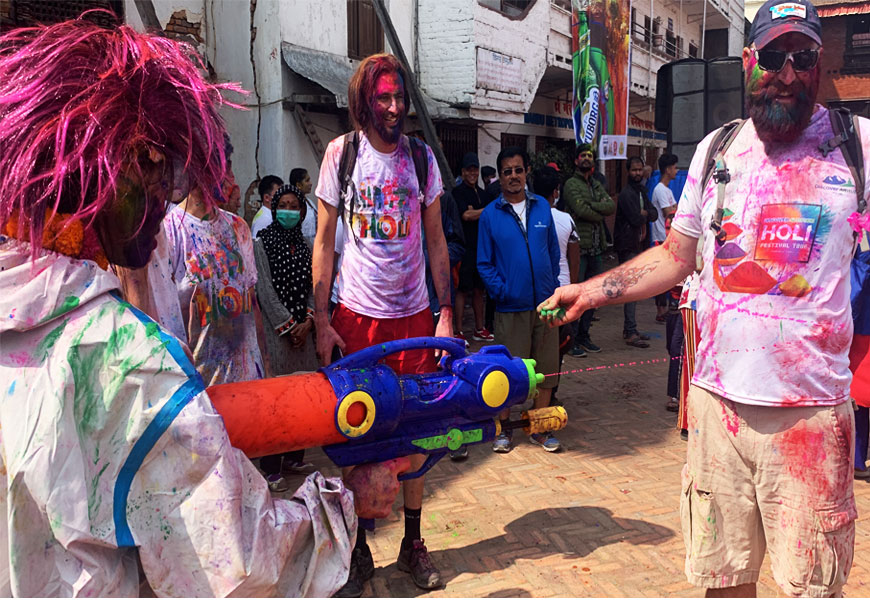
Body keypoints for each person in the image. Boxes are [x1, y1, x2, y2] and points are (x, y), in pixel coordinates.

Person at [0, 17, 408, 597]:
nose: (170, 198)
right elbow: (239, 564)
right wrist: (343, 507)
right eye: (164, 170)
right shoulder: (125, 365)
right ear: (119, 164)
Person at [539, 0, 870, 593]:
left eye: (802, 57)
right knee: (721, 585)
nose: (787, 72)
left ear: (820, 65)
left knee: (813, 589)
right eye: (773, 55)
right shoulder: (716, 151)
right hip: (716, 415)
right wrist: (590, 290)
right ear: (749, 60)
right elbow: (674, 256)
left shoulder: (858, 147)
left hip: (812, 422)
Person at [312, 53, 452, 595]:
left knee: (416, 428)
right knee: (358, 427)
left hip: (415, 317)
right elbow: (323, 242)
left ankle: (412, 540)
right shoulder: (340, 155)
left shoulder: (421, 158)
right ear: (364, 102)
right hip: (356, 319)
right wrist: (322, 320)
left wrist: (444, 314)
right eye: (383, 98)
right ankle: (359, 545)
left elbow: (437, 238)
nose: (394, 108)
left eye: (400, 98)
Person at [478, 147, 561, 453]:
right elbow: (484, 263)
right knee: (509, 372)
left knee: (547, 370)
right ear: (500, 177)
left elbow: (553, 252)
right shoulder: (490, 215)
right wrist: (503, 290)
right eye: (507, 171)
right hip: (510, 308)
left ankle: (540, 429)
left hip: (545, 305)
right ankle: (505, 430)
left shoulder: (542, 208)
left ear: (526, 173)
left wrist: (553, 287)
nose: (513, 176)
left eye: (518, 170)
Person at [165, 174, 266, 386]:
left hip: (248, 380)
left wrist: (266, 365)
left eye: (226, 165)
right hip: (202, 385)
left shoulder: (238, 227)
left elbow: (252, 301)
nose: (226, 175)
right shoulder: (170, 232)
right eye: (215, 164)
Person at [253, 183, 319, 492]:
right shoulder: (261, 244)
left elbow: (313, 285)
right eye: (284, 204)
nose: (289, 210)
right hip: (277, 334)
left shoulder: (306, 244)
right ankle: (271, 465)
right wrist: (289, 325)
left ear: (302, 211)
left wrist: (307, 320)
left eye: (295, 205)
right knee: (276, 399)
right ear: (274, 208)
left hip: (304, 332)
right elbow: (263, 289)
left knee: (302, 393)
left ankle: (295, 455)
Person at [561, 143, 615, 357]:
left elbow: (610, 205)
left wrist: (593, 206)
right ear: (576, 160)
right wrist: (597, 210)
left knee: (594, 296)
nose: (586, 158)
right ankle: (571, 339)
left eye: (589, 155)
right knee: (576, 296)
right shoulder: (571, 184)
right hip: (579, 248)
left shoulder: (595, 183)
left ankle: (584, 335)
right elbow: (580, 210)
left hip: (597, 247)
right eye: (582, 155)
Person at [534, 166, 579, 405]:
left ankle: (535, 393)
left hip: (536, 290)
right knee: (557, 347)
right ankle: (550, 394)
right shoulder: (565, 219)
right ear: (556, 192)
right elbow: (574, 257)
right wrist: (573, 285)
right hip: (561, 287)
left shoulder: (528, 218)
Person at [613, 156, 657, 348]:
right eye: (634, 170)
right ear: (628, 171)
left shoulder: (642, 191)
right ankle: (630, 331)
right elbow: (635, 219)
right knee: (630, 290)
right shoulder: (626, 194)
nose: (638, 173)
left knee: (636, 290)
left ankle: (630, 328)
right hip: (628, 247)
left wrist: (645, 214)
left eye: (640, 170)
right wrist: (644, 215)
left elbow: (653, 214)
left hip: (639, 247)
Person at [452, 152, 494, 342]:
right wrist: (485, 211)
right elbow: (466, 216)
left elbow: (476, 215)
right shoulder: (457, 192)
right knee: (462, 289)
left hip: (482, 248)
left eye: (475, 169)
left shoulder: (483, 193)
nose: (472, 173)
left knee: (479, 290)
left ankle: (479, 328)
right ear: (462, 171)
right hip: (465, 248)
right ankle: (458, 331)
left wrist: (476, 212)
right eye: (468, 170)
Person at [651, 153, 679, 323]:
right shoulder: (660, 189)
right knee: (662, 276)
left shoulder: (667, 190)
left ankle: (666, 308)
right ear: (668, 169)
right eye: (675, 167)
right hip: (661, 237)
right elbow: (669, 212)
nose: (676, 170)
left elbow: (675, 209)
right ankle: (661, 310)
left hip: (668, 237)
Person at [289, 167, 318, 245]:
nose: (310, 183)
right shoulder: (293, 206)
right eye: (307, 180)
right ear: (299, 185)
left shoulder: (309, 202)